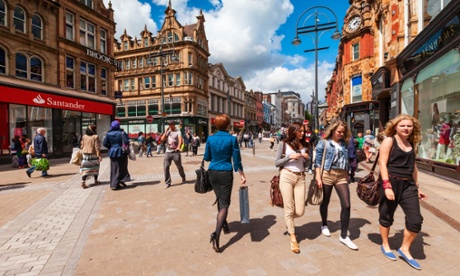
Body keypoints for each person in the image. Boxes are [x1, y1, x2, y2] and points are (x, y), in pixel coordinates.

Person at [378, 114, 427, 270]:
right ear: (395, 127)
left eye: (409, 126)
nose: (406, 128)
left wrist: (417, 187)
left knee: (416, 220)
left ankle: (404, 249)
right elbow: (382, 164)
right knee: (386, 216)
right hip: (391, 182)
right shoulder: (389, 141)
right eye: (403, 125)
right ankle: (385, 244)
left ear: (413, 128)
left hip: (409, 186)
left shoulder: (411, 143)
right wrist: (386, 186)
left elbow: (413, 166)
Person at [204, 114, 246, 253]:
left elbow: (207, 157)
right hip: (225, 172)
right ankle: (216, 235)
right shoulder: (231, 139)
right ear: (228, 125)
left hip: (212, 172)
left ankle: (225, 224)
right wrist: (242, 175)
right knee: (225, 204)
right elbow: (237, 159)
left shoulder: (210, 138)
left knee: (220, 199)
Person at [315, 120, 357, 250]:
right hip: (327, 174)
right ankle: (324, 224)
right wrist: (318, 176)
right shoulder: (324, 143)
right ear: (333, 130)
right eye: (339, 131)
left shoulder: (344, 143)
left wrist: (347, 174)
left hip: (341, 176)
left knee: (347, 205)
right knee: (325, 201)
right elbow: (317, 161)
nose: (341, 134)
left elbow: (346, 160)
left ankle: (344, 236)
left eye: (343, 132)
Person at [275, 122, 309, 253]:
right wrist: (289, 157)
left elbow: (307, 165)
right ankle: (293, 236)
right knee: (289, 207)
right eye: (300, 131)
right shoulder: (283, 144)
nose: (302, 133)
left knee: (300, 211)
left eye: (303, 131)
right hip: (286, 176)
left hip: (301, 178)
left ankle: (288, 219)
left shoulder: (305, 145)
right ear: (293, 131)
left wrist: (307, 158)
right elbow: (276, 162)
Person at [103, 121, 131, 190]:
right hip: (122, 152)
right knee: (122, 167)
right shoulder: (122, 133)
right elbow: (127, 142)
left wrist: (111, 147)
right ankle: (119, 181)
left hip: (112, 153)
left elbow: (105, 143)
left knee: (114, 168)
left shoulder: (108, 134)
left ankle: (114, 183)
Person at [161, 120, 186, 189]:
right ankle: (167, 182)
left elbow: (180, 140)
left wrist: (178, 147)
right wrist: (165, 132)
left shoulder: (178, 132)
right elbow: (162, 139)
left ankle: (183, 176)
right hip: (168, 152)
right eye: (169, 124)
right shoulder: (168, 132)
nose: (170, 126)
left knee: (179, 166)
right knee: (166, 167)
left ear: (174, 125)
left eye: (171, 124)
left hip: (175, 152)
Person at [79, 124, 102, 189]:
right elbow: (97, 147)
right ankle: (96, 180)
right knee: (95, 168)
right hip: (93, 155)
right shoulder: (95, 136)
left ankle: (83, 181)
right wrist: (99, 156)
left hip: (85, 155)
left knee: (85, 169)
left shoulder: (84, 136)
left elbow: (81, 145)